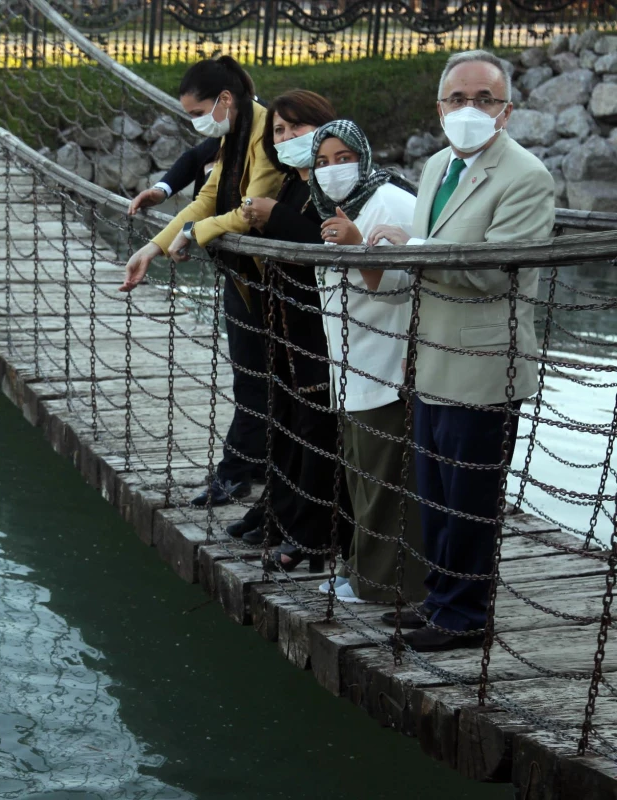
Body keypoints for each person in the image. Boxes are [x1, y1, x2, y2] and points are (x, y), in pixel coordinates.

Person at [352, 50, 555, 651]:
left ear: (507, 111)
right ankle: (439, 600)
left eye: (484, 99)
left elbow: (493, 272)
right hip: (432, 358)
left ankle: (466, 617)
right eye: (457, 99)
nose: (470, 109)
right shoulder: (438, 164)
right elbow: (425, 263)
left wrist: (408, 244)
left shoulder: (526, 177)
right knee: (435, 494)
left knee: (470, 500)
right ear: (439, 108)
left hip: (485, 364)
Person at [119, 56, 284, 508]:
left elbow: (250, 209)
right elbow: (210, 196)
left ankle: (235, 474)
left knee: (262, 380)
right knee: (252, 377)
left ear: (224, 100)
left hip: (280, 280)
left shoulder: (269, 132)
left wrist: (197, 233)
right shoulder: (236, 128)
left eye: (196, 113)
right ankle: (256, 468)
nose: (194, 124)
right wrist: (151, 248)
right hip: (245, 276)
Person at [306, 119, 426, 602]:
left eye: (343, 158)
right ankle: (361, 570)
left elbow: (406, 285)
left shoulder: (393, 204)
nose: (333, 170)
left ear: (365, 156)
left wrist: (358, 244)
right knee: (360, 473)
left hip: (387, 362)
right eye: (322, 162)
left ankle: (385, 584)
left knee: (385, 481)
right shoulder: (333, 206)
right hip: (350, 365)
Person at [233, 90, 347, 574]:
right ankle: (279, 513)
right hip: (283, 326)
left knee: (316, 430)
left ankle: (311, 535)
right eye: (279, 130)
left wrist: (274, 219)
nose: (288, 137)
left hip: (318, 333)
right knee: (284, 422)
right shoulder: (287, 185)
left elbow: (323, 248)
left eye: (298, 127)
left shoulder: (333, 188)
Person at [127, 137, 223, 215]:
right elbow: (196, 157)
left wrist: (211, 174)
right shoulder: (225, 134)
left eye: (199, 113)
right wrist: (161, 190)